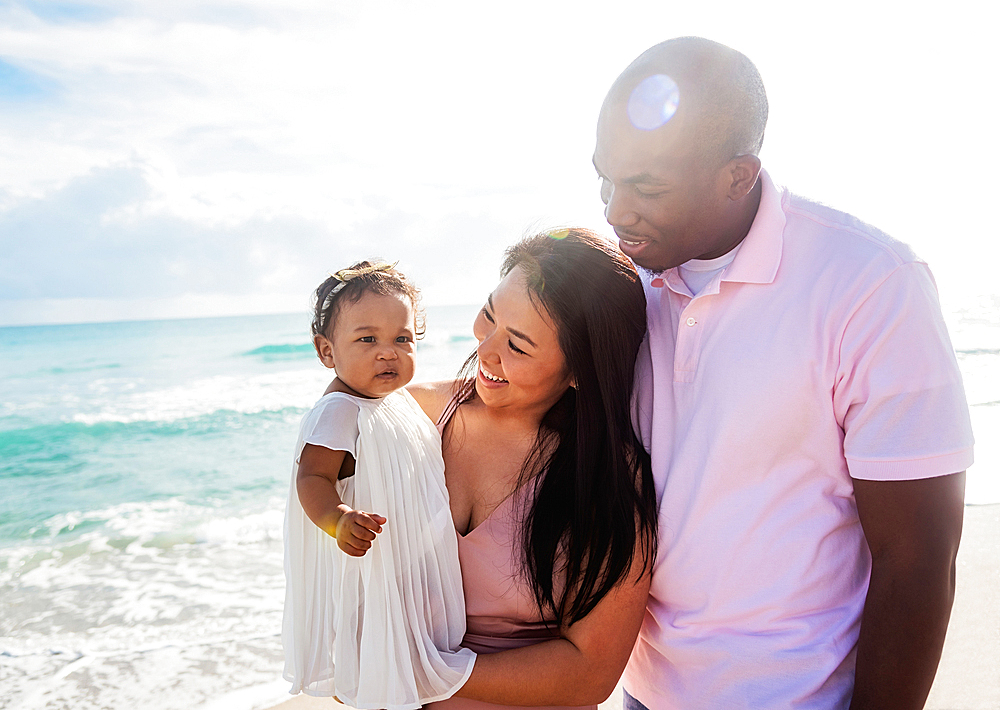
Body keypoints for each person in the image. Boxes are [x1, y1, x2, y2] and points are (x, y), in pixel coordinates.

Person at [593, 37, 975, 709]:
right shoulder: (624, 283)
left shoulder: (870, 283)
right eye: (606, 178)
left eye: (646, 186)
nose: (615, 209)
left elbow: (917, 556)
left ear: (739, 176)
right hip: (643, 694)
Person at [409, 228, 659, 709]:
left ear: (579, 370)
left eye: (518, 347)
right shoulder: (413, 416)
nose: (486, 350)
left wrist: (423, 672)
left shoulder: (608, 478)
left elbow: (589, 673)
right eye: (489, 314)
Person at [282, 261, 476, 709]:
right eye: (367, 339)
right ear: (326, 351)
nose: (387, 352)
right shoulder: (339, 410)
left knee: (405, 660)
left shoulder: (394, 401)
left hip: (402, 566)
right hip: (370, 568)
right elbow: (312, 476)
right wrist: (338, 519)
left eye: (402, 339)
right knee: (379, 664)